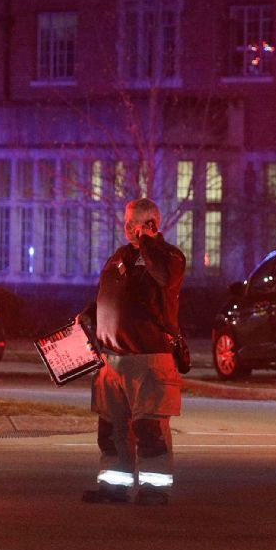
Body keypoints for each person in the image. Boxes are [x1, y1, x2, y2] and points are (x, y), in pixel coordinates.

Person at [78, 198, 186, 506]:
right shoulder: (119, 257)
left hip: (148, 360)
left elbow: (164, 277)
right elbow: (111, 295)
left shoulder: (168, 257)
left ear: (152, 224)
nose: (127, 228)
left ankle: (154, 490)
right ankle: (113, 487)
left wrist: (147, 242)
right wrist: (90, 314)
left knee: (149, 429)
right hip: (111, 361)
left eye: (135, 222)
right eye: (126, 222)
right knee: (111, 430)